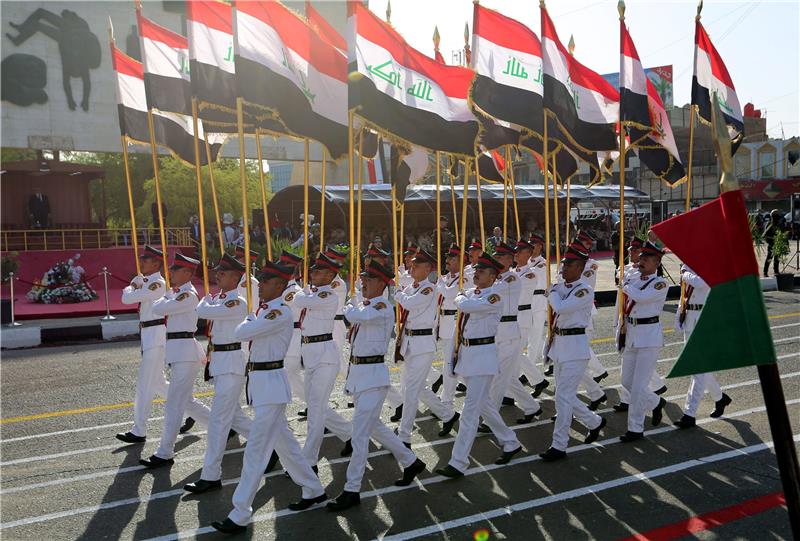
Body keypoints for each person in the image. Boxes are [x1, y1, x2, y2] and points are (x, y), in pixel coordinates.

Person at [210, 261, 327, 535]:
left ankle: (239, 513)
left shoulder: (279, 313)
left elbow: (240, 332)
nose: (259, 285)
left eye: (265, 281)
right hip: (262, 385)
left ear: (279, 285)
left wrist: (250, 318)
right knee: (285, 445)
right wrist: (252, 317)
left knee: (256, 451)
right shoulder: (263, 311)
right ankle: (314, 489)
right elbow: (245, 329)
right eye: (260, 280)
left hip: (271, 386)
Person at [326, 260, 427, 511]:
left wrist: (351, 303)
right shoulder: (368, 304)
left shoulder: (382, 306)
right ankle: (411, 461)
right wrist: (355, 300)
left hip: (373, 377)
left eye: (369, 279)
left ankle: (352, 489)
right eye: (363, 279)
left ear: (382, 283)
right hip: (361, 376)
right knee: (376, 428)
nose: (363, 282)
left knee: (359, 436)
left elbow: (352, 315)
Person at [435, 252, 523, 478]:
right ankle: (510, 442)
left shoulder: (495, 296)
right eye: (476, 270)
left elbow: (465, 304)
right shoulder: (473, 293)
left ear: (493, 275)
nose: (476, 274)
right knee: (484, 405)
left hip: (483, 357)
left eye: (481, 271)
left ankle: (458, 462)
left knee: (470, 411)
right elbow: (460, 301)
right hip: (466, 354)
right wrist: (464, 298)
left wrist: (463, 298)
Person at [116, 246, 206, 444]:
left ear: (156, 263)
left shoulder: (157, 283)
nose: (142, 262)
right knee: (156, 383)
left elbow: (126, 298)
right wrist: (138, 284)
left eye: (146, 259)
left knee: (144, 384)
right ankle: (190, 411)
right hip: (147, 334)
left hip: (156, 335)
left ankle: (139, 430)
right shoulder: (147, 282)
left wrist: (132, 286)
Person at [184, 254, 252, 493]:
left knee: (218, 420)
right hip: (221, 362)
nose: (217, 275)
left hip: (232, 363)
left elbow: (203, 312)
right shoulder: (220, 300)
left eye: (223, 273)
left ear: (236, 276)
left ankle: (211, 475)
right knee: (236, 418)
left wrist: (206, 302)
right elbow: (206, 309)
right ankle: (272, 445)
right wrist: (208, 302)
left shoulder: (238, 302)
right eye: (217, 272)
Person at [139, 253, 209, 468]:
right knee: (187, 402)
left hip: (185, 352)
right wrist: (167, 297)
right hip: (178, 351)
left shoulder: (187, 295)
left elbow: (158, 308)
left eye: (176, 269)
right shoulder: (176, 292)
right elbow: (158, 306)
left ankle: (165, 452)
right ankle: (224, 428)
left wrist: (167, 298)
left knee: (175, 404)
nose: (171, 272)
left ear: (188, 273)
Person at [539, 241, 606, 462]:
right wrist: (554, 292)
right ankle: (594, 421)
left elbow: (562, 307)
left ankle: (559, 445)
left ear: (579, 268)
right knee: (562, 396)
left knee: (564, 397)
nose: (563, 269)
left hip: (576, 348)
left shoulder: (584, 290)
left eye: (569, 266)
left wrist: (551, 293)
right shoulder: (560, 288)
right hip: (559, 346)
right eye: (563, 265)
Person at [394, 249, 460, 445]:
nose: (412, 268)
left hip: (422, 345)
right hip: (408, 343)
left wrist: (397, 293)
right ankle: (447, 415)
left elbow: (410, 304)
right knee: (417, 388)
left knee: (411, 391)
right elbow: (404, 295)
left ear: (428, 268)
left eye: (416, 265)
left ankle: (404, 435)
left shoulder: (428, 289)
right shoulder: (412, 287)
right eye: (412, 265)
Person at [294, 253, 353, 468]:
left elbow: (299, 300)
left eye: (318, 271)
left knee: (316, 412)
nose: (313, 274)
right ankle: (349, 434)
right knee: (315, 405)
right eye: (313, 270)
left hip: (324, 357)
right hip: (311, 354)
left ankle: (308, 462)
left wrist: (304, 288)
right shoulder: (315, 292)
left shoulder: (328, 295)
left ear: (330, 275)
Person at [481, 242, 542, 426]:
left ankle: (491, 420)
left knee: (499, 376)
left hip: (509, 331)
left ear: (509, 259)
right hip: (498, 332)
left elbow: (492, 293)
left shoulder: (512, 279)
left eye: (500, 257)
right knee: (505, 375)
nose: (496, 260)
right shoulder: (498, 279)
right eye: (496, 257)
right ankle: (531, 406)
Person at [617, 241, 669, 442]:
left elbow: (642, 297)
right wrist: (626, 282)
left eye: (647, 259)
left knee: (638, 387)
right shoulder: (635, 279)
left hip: (648, 337)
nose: (641, 261)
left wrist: (625, 284)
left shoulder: (660, 283)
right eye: (641, 258)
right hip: (631, 333)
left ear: (656, 262)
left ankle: (635, 429)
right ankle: (656, 402)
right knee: (627, 382)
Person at [673, 264, 731, 428]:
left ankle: (689, 414)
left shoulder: (708, 264)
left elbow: (701, 283)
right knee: (699, 369)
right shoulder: (687, 267)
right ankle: (720, 398)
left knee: (697, 369)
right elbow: (685, 294)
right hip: (690, 317)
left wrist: (685, 273)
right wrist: (680, 315)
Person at [515, 235, 549, 399]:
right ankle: (531, 375)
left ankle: (530, 374)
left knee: (534, 339)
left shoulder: (541, 264)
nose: (532, 248)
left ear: (540, 246)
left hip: (537, 302)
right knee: (526, 343)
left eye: (533, 245)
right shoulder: (525, 265)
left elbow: (531, 277)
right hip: (525, 304)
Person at [430, 243, 464, 407]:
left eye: (451, 258)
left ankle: (446, 401)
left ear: (460, 260)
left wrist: (440, 283)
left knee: (449, 363)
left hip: (454, 323)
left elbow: (450, 294)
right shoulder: (447, 278)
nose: (448, 261)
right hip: (443, 323)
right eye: (447, 258)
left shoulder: (463, 278)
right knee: (453, 363)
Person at [763, 209, 784, 277]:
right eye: (776, 216)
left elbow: (782, 233)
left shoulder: (779, 224)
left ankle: (776, 271)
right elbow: (765, 235)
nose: (777, 218)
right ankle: (765, 272)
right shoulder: (769, 224)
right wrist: (772, 239)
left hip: (777, 244)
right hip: (771, 244)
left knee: (777, 258)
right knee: (769, 258)